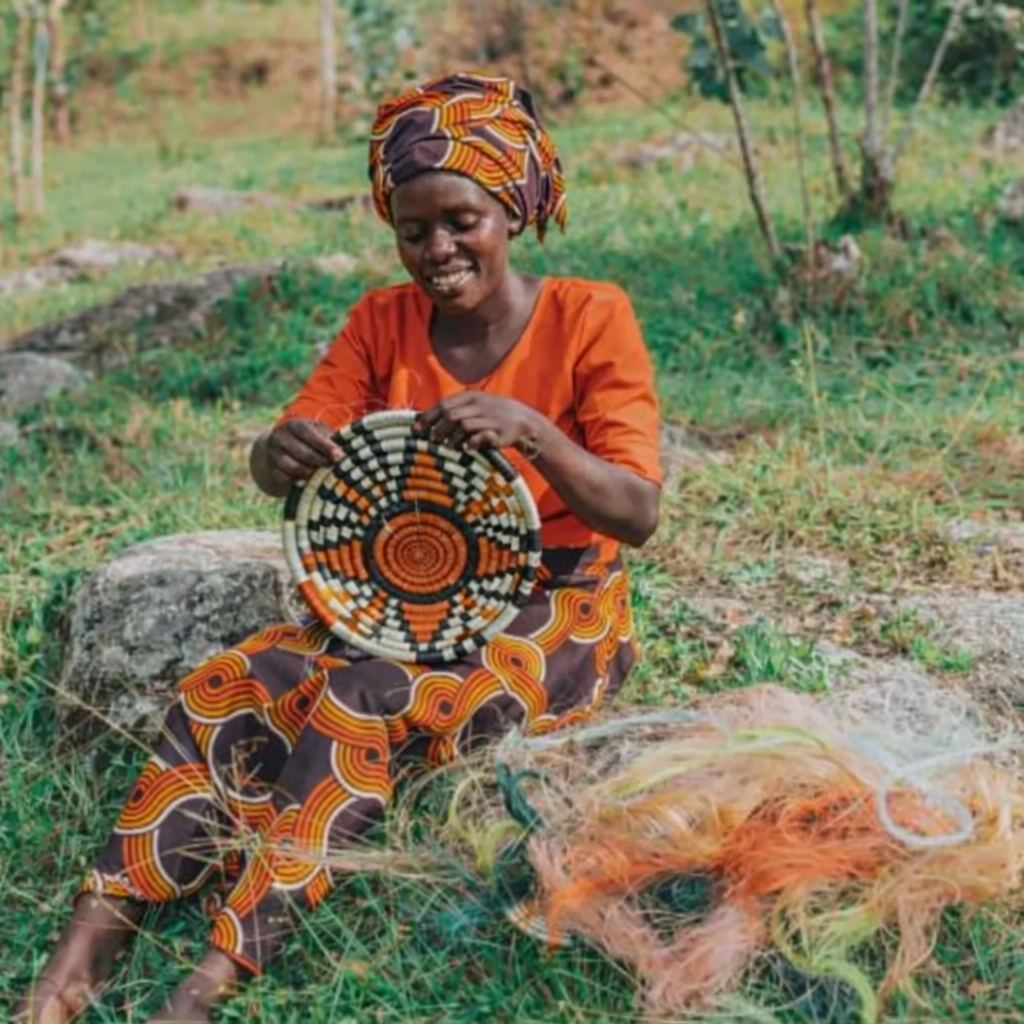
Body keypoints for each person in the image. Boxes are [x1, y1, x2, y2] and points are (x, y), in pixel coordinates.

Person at [14, 72, 662, 1024]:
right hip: (399, 597)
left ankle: (213, 976)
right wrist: (278, 453)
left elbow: (637, 512)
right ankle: (76, 962)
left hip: (553, 613)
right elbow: (289, 451)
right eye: (413, 229)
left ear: (514, 208)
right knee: (229, 683)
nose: (437, 249)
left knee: (360, 698)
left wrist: (533, 431)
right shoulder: (381, 322)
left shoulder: (588, 316)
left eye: (462, 220)